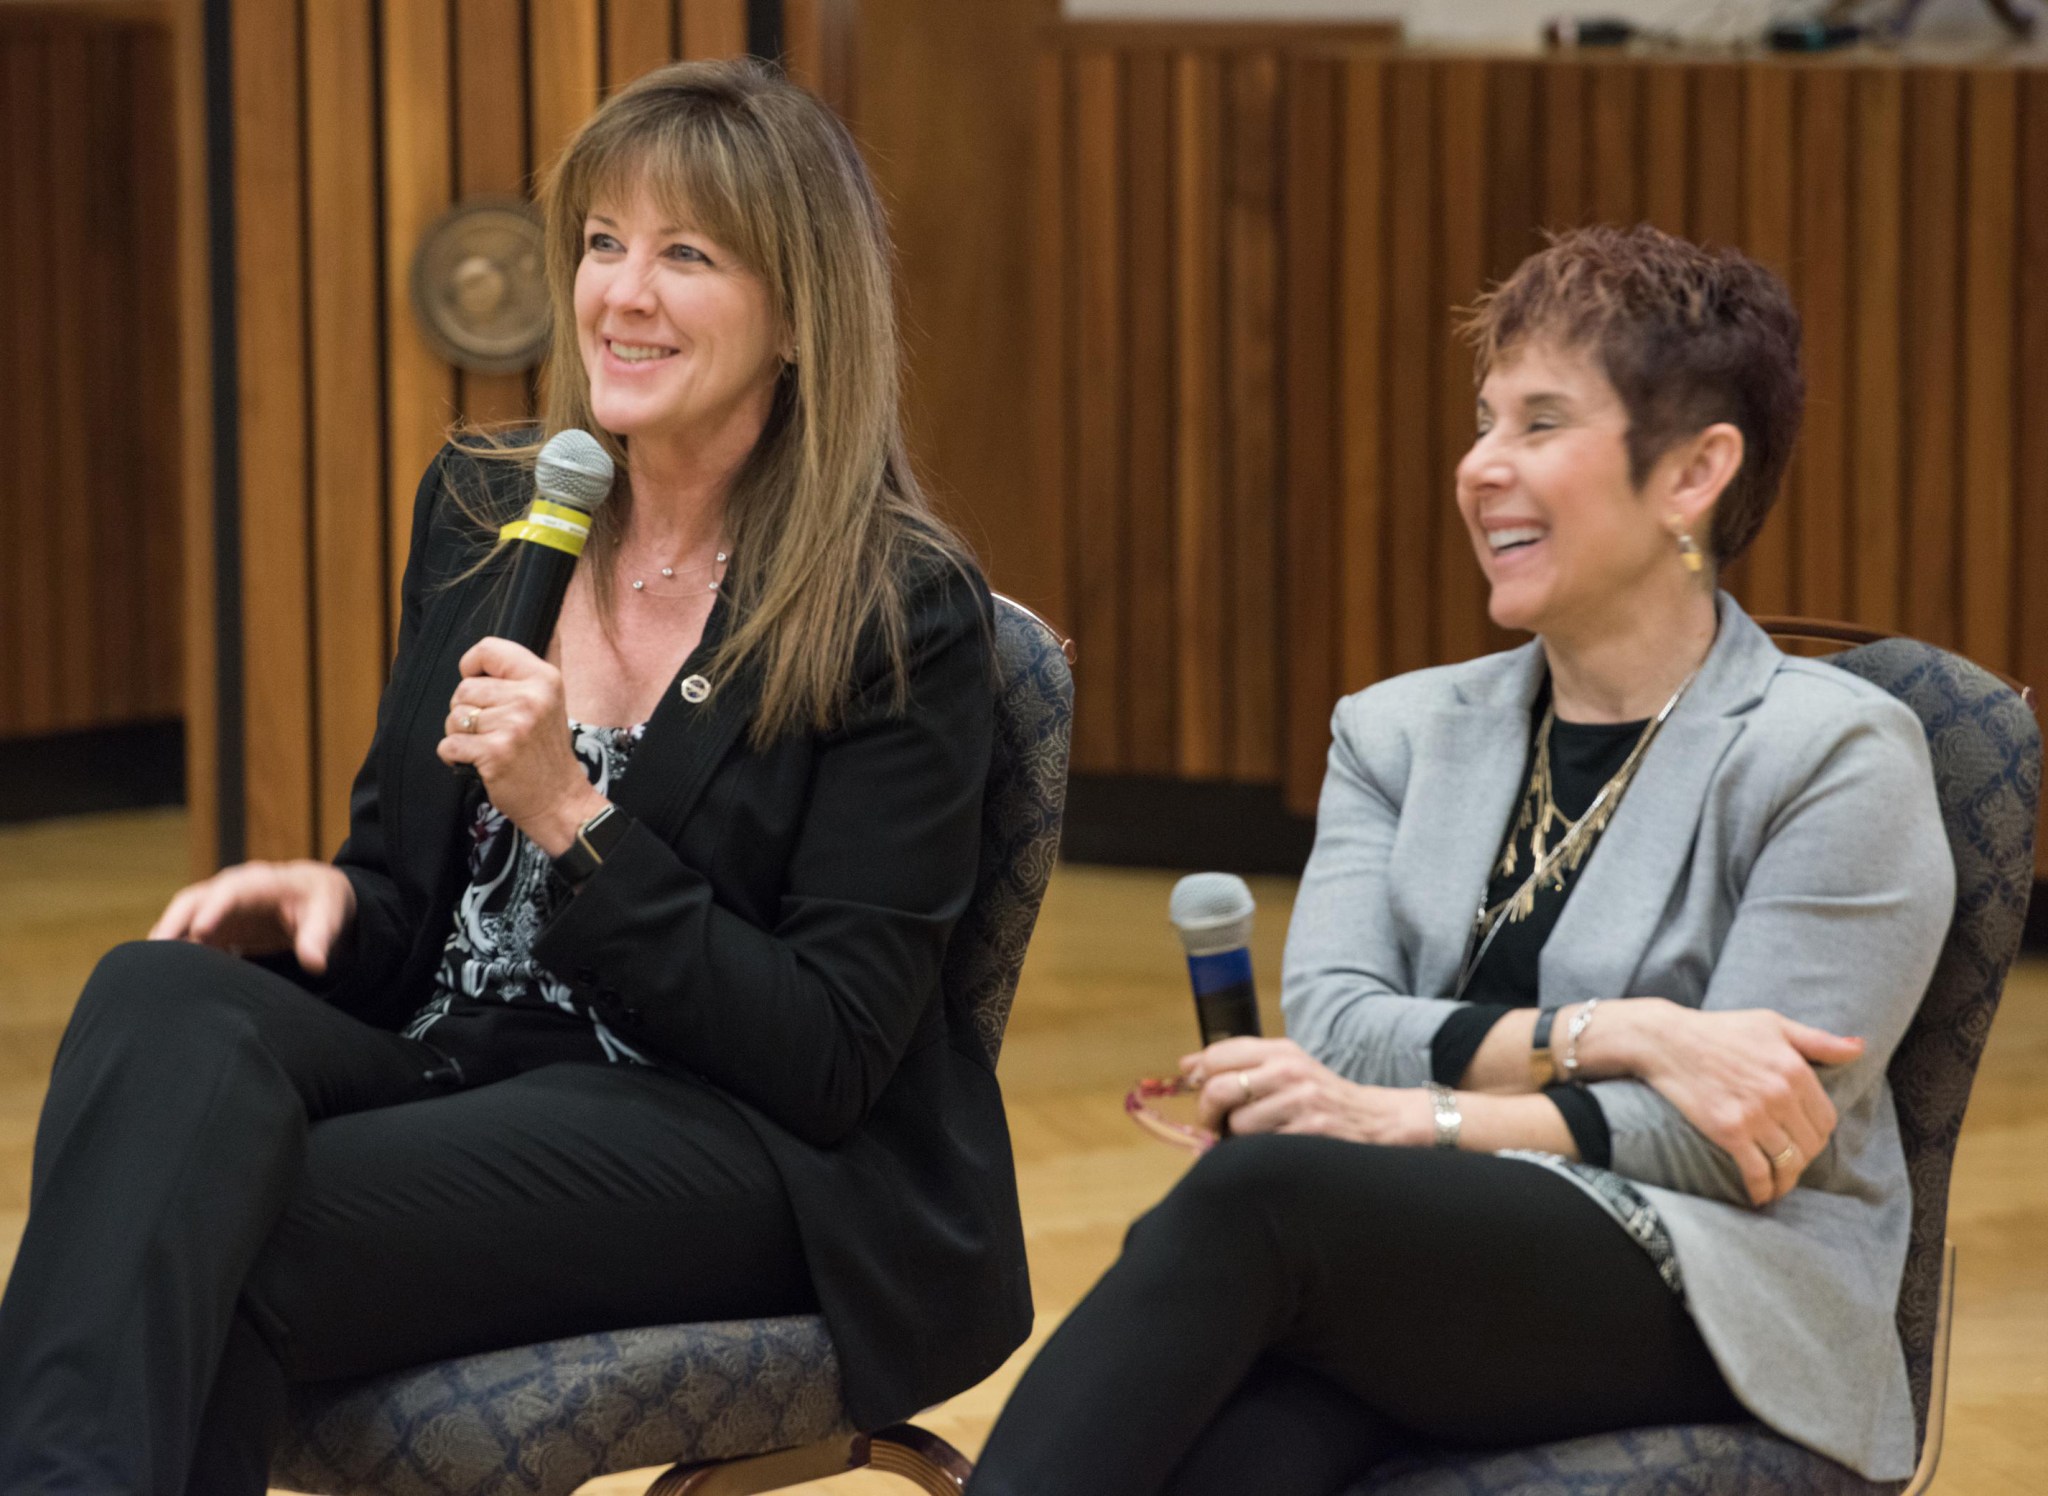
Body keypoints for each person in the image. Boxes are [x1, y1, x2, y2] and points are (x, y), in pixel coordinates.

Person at [0, 58, 1029, 1495]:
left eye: (688, 254)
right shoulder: (491, 505)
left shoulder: (894, 607)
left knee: (190, 1228)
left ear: (801, 313)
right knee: (154, 994)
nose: (622, 293)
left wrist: (572, 817)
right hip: (462, 1066)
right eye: (604, 242)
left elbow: (830, 1053)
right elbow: (410, 896)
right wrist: (328, 904)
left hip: (736, 1142)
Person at [966, 225, 1953, 1496]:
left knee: (1258, 1197)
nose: (1480, 466)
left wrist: (1407, 1119)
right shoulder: (1396, 731)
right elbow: (1336, 1024)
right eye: (1482, 421)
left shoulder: (1838, 755)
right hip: (1429, 1253)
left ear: (1694, 471)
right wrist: (1631, 1027)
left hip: (1717, 1280)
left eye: (1539, 423)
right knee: (1240, 1452)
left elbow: (1733, 1141)